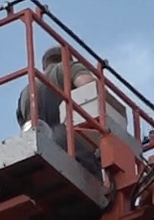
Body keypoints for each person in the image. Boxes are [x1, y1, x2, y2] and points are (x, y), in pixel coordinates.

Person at [16, 45, 100, 173]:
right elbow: (90, 87)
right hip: (72, 145)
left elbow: (25, 128)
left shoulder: (25, 93)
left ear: (44, 64)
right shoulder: (67, 67)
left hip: (40, 151)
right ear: (67, 59)